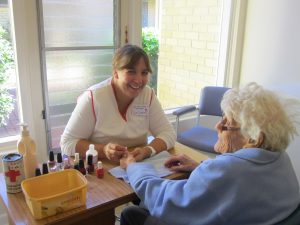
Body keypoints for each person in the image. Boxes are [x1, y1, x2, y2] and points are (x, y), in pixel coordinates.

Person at [120, 82, 300, 225]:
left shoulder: (228, 170)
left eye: (226, 124)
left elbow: (165, 200)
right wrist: (201, 168)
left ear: (252, 137)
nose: (217, 126)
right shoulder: (281, 158)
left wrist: (134, 168)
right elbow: (244, 186)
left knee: (132, 213)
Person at [60, 44, 176, 162]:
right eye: (131, 72)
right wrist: (103, 150)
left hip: (137, 165)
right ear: (115, 73)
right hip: (102, 168)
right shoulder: (93, 98)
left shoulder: (148, 95)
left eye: (144, 73)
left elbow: (168, 133)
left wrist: (147, 151)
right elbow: (67, 143)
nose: (139, 80)